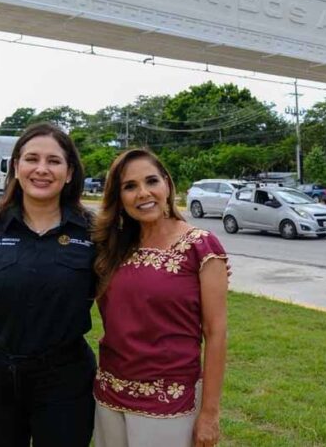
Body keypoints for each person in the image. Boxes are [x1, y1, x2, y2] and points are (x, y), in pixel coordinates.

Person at [0, 123, 97, 446]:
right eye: (32, 159)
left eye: (54, 161)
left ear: (69, 173)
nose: (42, 169)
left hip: (65, 382)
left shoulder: (93, 233)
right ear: (16, 167)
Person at [92, 149, 229, 447]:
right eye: (130, 187)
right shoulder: (112, 246)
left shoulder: (200, 247)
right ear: (119, 197)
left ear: (167, 184)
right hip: (108, 395)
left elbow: (216, 334)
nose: (143, 193)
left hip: (168, 404)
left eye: (151, 181)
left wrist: (209, 413)